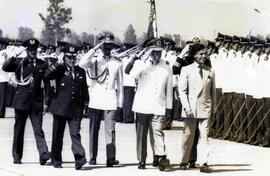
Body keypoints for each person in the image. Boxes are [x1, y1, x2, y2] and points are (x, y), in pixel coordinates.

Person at [125, 38, 173, 171]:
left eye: (159, 52)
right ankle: (142, 159)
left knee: (158, 132)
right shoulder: (141, 64)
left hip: (158, 105)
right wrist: (143, 59)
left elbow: (169, 89)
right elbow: (132, 74)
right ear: (149, 52)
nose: (157, 55)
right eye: (154, 52)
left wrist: (169, 108)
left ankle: (160, 157)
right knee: (142, 134)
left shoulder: (167, 67)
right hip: (142, 105)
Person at [2, 38, 51, 165]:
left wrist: (46, 102)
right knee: (19, 130)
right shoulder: (20, 62)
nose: (32, 52)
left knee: (38, 129)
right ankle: (17, 156)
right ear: (26, 50)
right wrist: (16, 54)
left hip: (36, 102)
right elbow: (5, 67)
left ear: (37, 50)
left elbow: (46, 84)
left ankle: (44, 154)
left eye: (34, 49)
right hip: (21, 101)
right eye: (30, 49)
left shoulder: (42, 64)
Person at [79, 33, 122, 167]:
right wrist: (94, 49)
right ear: (101, 47)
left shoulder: (117, 62)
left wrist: (120, 104)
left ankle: (110, 158)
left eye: (109, 45)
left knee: (111, 131)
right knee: (93, 130)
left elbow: (120, 85)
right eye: (104, 45)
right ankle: (92, 157)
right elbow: (81, 64)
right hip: (96, 100)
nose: (107, 48)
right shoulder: (94, 60)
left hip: (110, 101)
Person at [44, 44, 89, 170]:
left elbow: (84, 89)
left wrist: (86, 103)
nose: (72, 60)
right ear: (64, 57)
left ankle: (80, 158)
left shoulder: (81, 71)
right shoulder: (59, 70)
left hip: (76, 108)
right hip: (60, 108)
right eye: (69, 57)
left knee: (75, 134)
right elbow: (47, 76)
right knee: (57, 135)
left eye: (74, 57)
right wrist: (58, 64)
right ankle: (56, 159)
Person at [178, 43, 216, 173]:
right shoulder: (186, 70)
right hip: (190, 109)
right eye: (200, 54)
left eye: (205, 54)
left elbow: (213, 92)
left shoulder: (210, 71)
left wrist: (214, 109)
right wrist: (187, 107)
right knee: (188, 136)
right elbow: (182, 91)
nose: (203, 56)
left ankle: (204, 163)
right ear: (194, 56)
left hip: (205, 108)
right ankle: (184, 160)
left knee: (204, 137)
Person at [0, 38, 9, 118]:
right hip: (2, 77)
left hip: (3, 77)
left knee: (2, 97)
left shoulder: (4, 52)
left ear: (3, 45)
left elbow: (2, 64)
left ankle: (1, 113)